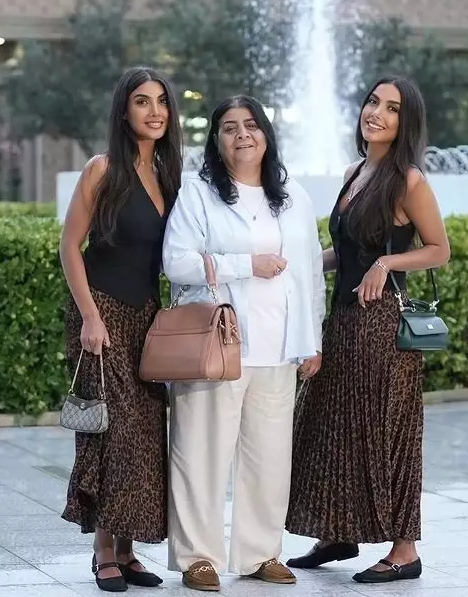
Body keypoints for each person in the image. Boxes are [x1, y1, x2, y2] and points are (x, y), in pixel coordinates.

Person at [285, 75, 451, 584]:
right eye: (373, 102)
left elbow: (439, 249)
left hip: (382, 328)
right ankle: (338, 532)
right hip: (342, 321)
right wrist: (300, 264)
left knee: (386, 432)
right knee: (332, 427)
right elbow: (346, 252)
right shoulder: (355, 173)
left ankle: (405, 550)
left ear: (406, 122)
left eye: (392, 108)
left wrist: (387, 263)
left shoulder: (409, 181)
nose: (376, 113)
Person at [161, 94, 326, 592]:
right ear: (217, 140)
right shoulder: (198, 194)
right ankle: (197, 557)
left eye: (251, 125)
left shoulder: (293, 197)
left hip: (279, 348)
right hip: (218, 347)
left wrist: (313, 338)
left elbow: (312, 273)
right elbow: (176, 262)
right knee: (200, 454)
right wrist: (244, 265)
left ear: (266, 134)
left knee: (269, 458)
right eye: (230, 127)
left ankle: (259, 553)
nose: (242, 135)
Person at [58, 66, 184, 593]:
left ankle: (129, 551)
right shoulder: (102, 169)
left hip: (146, 317)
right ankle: (103, 551)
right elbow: (69, 246)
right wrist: (90, 315)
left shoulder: (169, 173)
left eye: (161, 101)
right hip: (103, 312)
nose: (154, 111)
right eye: (142, 101)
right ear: (124, 111)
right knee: (113, 433)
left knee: (144, 435)